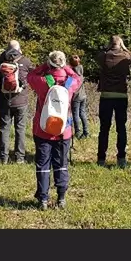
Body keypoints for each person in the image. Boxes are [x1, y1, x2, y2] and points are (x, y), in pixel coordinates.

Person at [26, 51, 81, 210]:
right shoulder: (70, 82)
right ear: (63, 63)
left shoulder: (43, 81)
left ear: (49, 63)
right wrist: (67, 68)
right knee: (61, 163)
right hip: (64, 130)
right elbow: (78, 77)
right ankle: (61, 198)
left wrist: (45, 66)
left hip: (43, 130)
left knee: (43, 164)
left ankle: (43, 199)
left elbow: (30, 76)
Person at [0, 40, 34, 164]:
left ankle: (3, 157)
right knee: (20, 129)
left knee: (4, 128)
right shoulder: (25, 61)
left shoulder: (0, 61)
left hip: (4, 100)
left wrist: (2, 56)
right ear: (19, 49)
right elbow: (32, 75)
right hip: (21, 100)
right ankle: (19, 158)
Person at [95, 35, 131, 168]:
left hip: (106, 95)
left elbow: (97, 56)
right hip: (121, 95)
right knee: (121, 128)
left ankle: (101, 158)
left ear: (110, 44)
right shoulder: (125, 56)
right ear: (120, 44)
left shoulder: (104, 56)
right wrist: (124, 48)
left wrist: (106, 48)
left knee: (104, 128)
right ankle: (121, 157)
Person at [70, 55, 89, 139]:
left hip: (76, 96)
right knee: (83, 113)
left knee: (76, 115)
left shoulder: (72, 74)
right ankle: (86, 132)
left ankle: (78, 132)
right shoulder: (81, 70)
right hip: (83, 95)